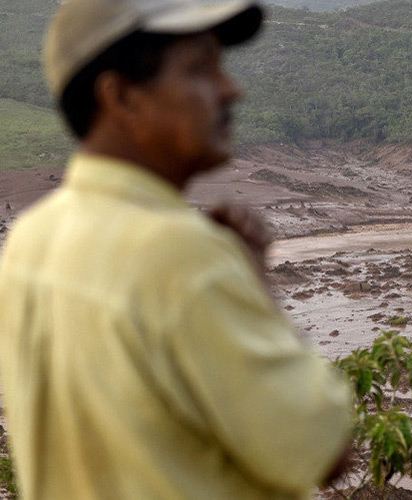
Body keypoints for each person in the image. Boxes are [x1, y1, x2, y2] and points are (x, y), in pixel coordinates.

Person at [0, 1, 352, 498]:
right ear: (121, 97)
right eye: (199, 69)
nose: (232, 89)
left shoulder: (30, 239)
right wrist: (257, 288)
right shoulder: (181, 253)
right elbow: (322, 449)